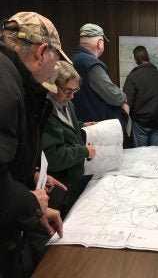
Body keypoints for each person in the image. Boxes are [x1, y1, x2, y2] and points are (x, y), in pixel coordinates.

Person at [0, 11, 69, 277]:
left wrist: (29, 175)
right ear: (42, 52)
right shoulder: (6, 86)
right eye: (56, 61)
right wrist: (31, 204)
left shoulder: (10, 77)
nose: (55, 70)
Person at [42, 60, 96, 217]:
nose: (72, 96)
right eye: (67, 91)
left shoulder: (66, 103)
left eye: (75, 90)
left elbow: (66, 127)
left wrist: (81, 125)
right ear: (52, 85)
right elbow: (52, 156)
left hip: (73, 180)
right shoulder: (45, 111)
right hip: (57, 186)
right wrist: (83, 152)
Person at [71, 23, 129, 132]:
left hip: (82, 122)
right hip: (97, 126)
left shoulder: (73, 59)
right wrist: (123, 98)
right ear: (100, 43)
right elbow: (113, 95)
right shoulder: (92, 64)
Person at [123, 45, 158, 147]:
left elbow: (127, 102)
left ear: (135, 59)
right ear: (148, 57)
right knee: (156, 157)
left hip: (140, 123)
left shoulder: (133, 77)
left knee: (140, 156)